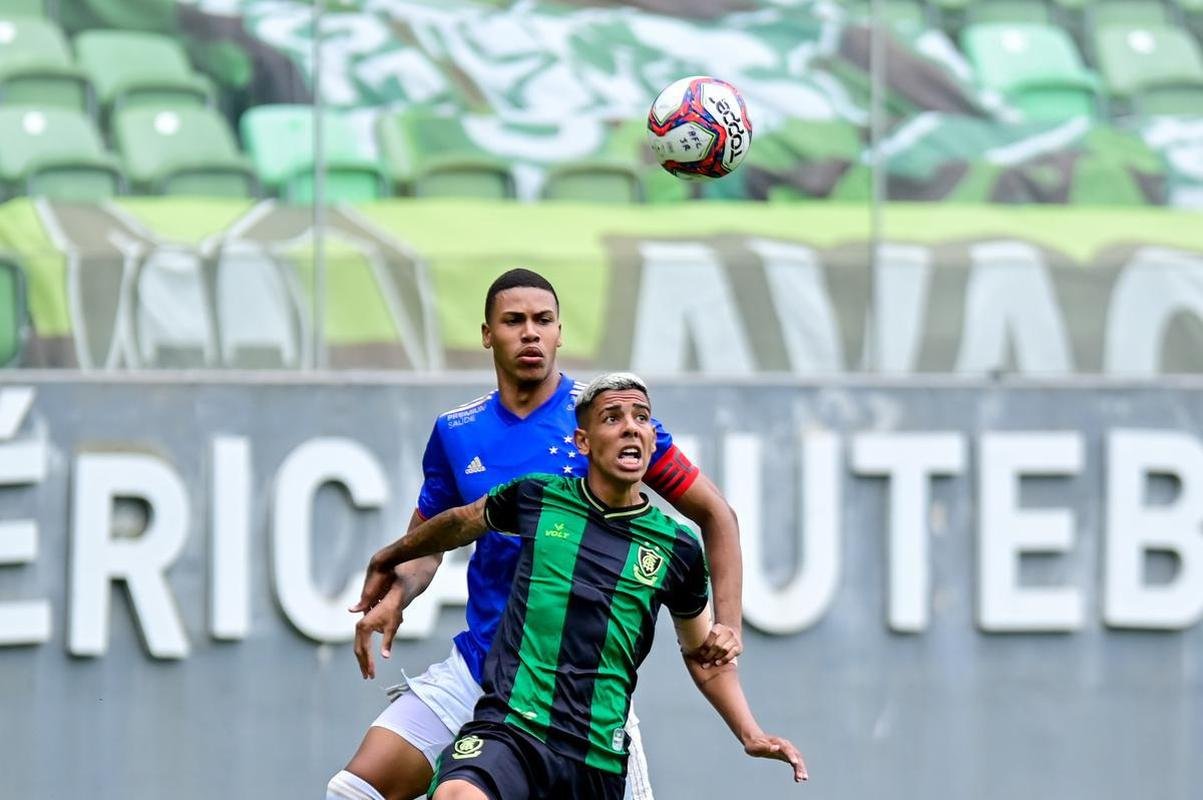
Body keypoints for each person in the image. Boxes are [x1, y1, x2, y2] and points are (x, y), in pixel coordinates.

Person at [326, 269, 745, 800]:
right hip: (481, 666)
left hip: (582, 694)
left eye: (543, 321)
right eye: (514, 321)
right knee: (355, 791)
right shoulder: (457, 432)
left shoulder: (604, 421)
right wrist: (397, 595)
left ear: (560, 333)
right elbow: (432, 541)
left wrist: (729, 625)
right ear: (486, 334)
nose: (530, 333)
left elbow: (717, 515)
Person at [355, 372, 806, 800]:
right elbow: (458, 523)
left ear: (653, 440)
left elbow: (704, 657)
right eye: (614, 418)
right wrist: (388, 557)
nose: (631, 428)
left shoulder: (677, 550)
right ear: (582, 442)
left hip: (596, 759)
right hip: (512, 730)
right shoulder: (536, 497)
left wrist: (750, 732)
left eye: (642, 418)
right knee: (457, 793)